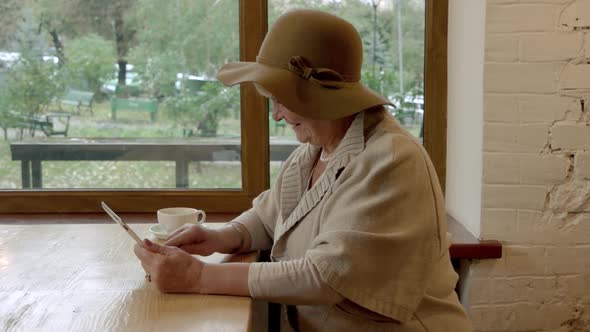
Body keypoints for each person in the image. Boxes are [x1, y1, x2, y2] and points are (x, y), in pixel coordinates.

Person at [133, 9, 472, 331]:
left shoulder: (392, 160)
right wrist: (222, 236)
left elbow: (326, 277)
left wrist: (198, 277)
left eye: (281, 99)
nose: (276, 114)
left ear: (319, 97)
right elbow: (271, 216)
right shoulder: (314, 151)